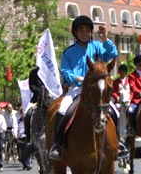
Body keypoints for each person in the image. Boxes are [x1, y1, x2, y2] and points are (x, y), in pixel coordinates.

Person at [49, 15, 125, 161]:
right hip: (76, 88)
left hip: (95, 89)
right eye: (81, 30)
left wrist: (105, 40)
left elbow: (113, 54)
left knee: (115, 111)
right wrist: (76, 78)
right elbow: (65, 71)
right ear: (75, 33)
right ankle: (58, 145)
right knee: (62, 110)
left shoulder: (97, 46)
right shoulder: (68, 52)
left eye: (87, 30)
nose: (84, 33)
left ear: (91, 32)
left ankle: (119, 143)